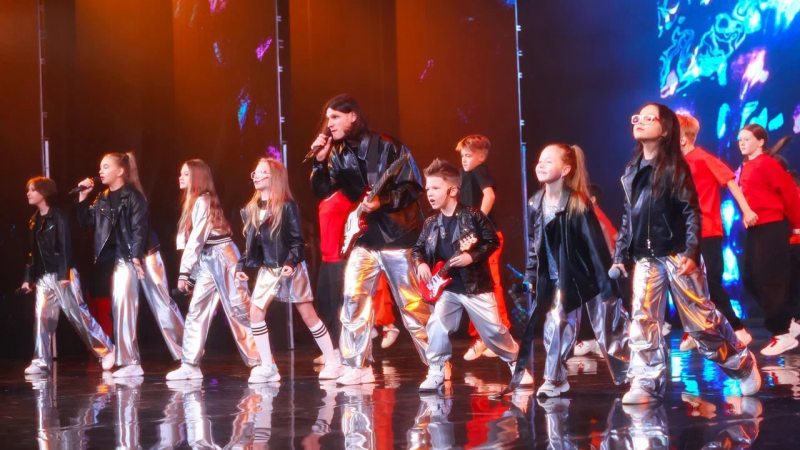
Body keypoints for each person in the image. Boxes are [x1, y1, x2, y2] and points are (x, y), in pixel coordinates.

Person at [610, 103, 760, 404]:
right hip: (646, 256)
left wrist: (691, 251)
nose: (640, 121)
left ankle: (741, 363)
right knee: (642, 320)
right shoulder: (632, 170)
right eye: (637, 117)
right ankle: (644, 382)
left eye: (649, 118)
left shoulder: (677, 167)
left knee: (701, 323)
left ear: (665, 129)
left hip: (678, 253)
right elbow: (629, 216)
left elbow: (692, 212)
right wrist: (620, 255)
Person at [310, 94, 431, 385]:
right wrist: (319, 161)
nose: (330, 124)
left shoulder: (387, 145)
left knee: (412, 305)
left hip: (398, 234)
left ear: (352, 115)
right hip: (365, 237)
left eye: (335, 117)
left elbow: (414, 186)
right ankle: (358, 366)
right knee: (353, 300)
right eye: (328, 118)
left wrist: (383, 201)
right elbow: (324, 191)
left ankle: (437, 363)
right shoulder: (337, 152)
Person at [511, 144, 630, 397]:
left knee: (608, 328)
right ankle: (555, 379)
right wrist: (531, 276)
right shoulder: (535, 203)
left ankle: (632, 374)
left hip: (586, 275)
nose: (541, 165)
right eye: (540, 160)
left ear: (565, 169)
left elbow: (595, 245)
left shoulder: (577, 202)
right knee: (556, 324)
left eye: (549, 161)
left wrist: (605, 283)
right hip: (558, 279)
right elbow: (534, 246)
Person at [412, 159, 533, 391]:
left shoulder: (473, 215)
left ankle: (516, 364)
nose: (430, 193)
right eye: (428, 188)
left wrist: (472, 256)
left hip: (474, 287)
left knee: (493, 332)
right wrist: (420, 264)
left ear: (453, 190)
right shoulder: (431, 223)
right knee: (436, 325)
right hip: (447, 289)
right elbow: (418, 249)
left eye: (436, 188)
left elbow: (492, 241)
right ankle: (436, 370)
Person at [236, 158, 341, 383]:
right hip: (268, 269)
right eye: (256, 172)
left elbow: (297, 241)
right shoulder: (251, 210)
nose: (257, 176)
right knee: (255, 312)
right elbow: (251, 246)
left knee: (307, 314)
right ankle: (268, 366)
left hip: (290, 268)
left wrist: (291, 262)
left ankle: (333, 361)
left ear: (274, 177)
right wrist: (241, 266)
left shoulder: (286, 206)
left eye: (262, 172)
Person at [165, 159, 261, 380]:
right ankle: (190, 364)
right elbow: (196, 244)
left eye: (186, 174)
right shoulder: (193, 203)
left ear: (197, 178)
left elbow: (197, 240)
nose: (180, 178)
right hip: (208, 259)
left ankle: (261, 360)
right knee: (197, 308)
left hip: (223, 256)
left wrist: (185, 272)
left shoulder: (203, 201)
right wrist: (191, 275)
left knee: (239, 307)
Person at [676, 113, 757, 352]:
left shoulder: (702, 158)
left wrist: (747, 210)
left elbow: (729, 180)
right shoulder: (675, 165)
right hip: (684, 234)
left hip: (707, 230)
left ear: (682, 139)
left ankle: (738, 328)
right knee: (686, 283)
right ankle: (696, 329)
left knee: (710, 281)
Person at [21, 176, 115, 374]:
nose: (28, 193)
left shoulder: (59, 216)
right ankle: (40, 360)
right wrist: (28, 279)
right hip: (44, 276)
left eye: (33, 190)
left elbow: (65, 245)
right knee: (42, 317)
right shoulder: (34, 220)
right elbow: (32, 253)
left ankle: (107, 350)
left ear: (44, 192)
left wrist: (64, 273)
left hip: (63, 273)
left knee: (77, 315)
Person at [76, 152, 149, 378]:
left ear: (121, 171)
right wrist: (83, 197)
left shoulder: (133, 196)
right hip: (117, 260)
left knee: (128, 308)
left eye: (106, 166)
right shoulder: (103, 198)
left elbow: (139, 229)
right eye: (100, 167)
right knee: (119, 308)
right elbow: (86, 221)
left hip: (131, 257)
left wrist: (136, 256)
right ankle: (126, 360)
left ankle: (131, 362)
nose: (101, 171)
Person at [736, 125, 800, 355]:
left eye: (747, 139)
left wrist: (796, 225)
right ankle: (788, 320)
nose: (742, 143)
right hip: (756, 228)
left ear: (761, 141)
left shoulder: (768, 164)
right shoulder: (747, 165)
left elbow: (790, 193)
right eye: (740, 139)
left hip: (773, 225)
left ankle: (782, 332)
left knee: (769, 278)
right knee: (750, 278)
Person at [455, 135, 511, 361]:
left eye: (468, 155)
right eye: (462, 156)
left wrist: (478, 223)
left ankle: (499, 332)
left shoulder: (480, 171)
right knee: (476, 287)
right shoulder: (465, 176)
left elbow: (490, 195)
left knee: (491, 284)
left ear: (481, 157)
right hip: (475, 239)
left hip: (487, 238)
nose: (464, 159)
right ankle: (483, 336)